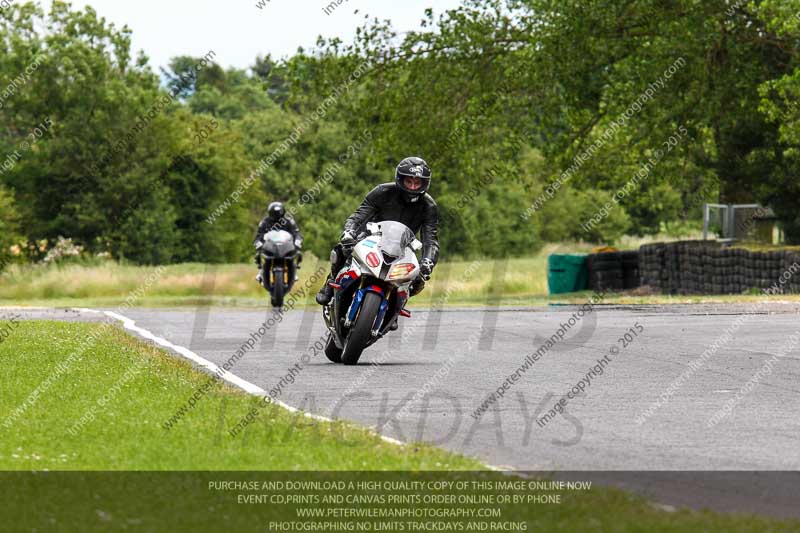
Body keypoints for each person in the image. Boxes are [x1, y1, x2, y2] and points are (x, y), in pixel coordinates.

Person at [315, 156, 439, 306]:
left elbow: (430, 240)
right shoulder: (382, 191)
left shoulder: (429, 206)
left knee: (419, 278)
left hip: (403, 247)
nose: (412, 187)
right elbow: (357, 216)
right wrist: (349, 232)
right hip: (371, 236)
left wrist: (428, 261)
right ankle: (331, 281)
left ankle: (395, 308)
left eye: (417, 182)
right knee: (342, 249)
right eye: (409, 181)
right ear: (400, 179)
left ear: (425, 183)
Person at [254, 202, 303, 283]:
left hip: (286, 246)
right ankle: (261, 271)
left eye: (278, 213)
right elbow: (259, 235)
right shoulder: (264, 222)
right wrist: (259, 243)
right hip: (270, 247)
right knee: (259, 254)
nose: (276, 216)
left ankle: (293, 272)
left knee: (297, 253)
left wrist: (297, 241)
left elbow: (296, 233)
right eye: (274, 214)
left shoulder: (289, 221)